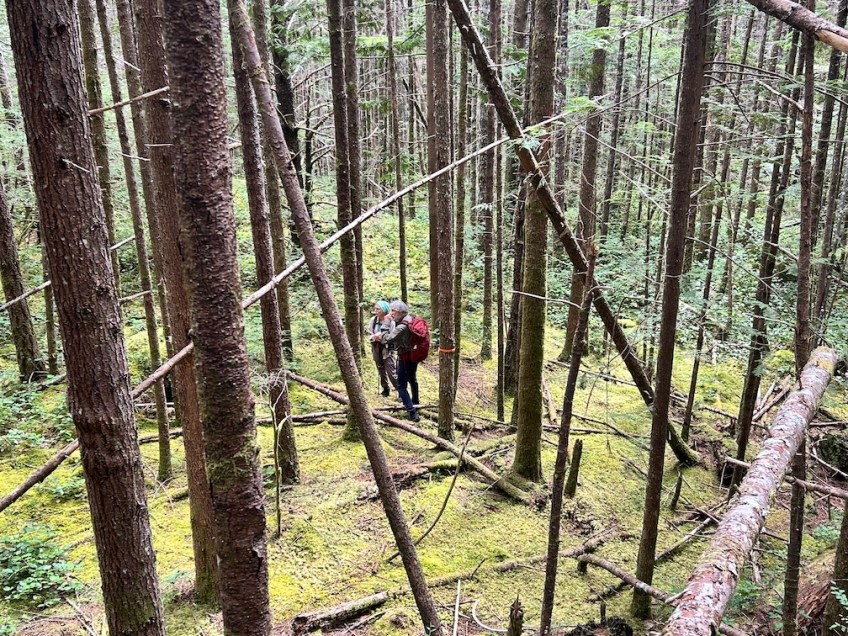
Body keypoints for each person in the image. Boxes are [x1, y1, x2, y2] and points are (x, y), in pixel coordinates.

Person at [379, 300, 421, 422]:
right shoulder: (411, 319)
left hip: (405, 357)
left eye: (394, 311)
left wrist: (386, 323)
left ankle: (412, 412)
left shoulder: (402, 326)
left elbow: (387, 339)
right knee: (412, 379)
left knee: (401, 386)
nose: (391, 313)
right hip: (414, 354)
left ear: (401, 312)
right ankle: (415, 403)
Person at [367, 300, 397, 397]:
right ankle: (385, 389)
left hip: (387, 350)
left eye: (378, 309)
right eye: (375, 308)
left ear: (384, 310)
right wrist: (374, 337)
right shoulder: (373, 320)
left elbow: (393, 336)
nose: (375, 310)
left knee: (391, 371)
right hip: (376, 348)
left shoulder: (391, 322)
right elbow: (369, 333)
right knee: (380, 369)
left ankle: (401, 392)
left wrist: (382, 338)